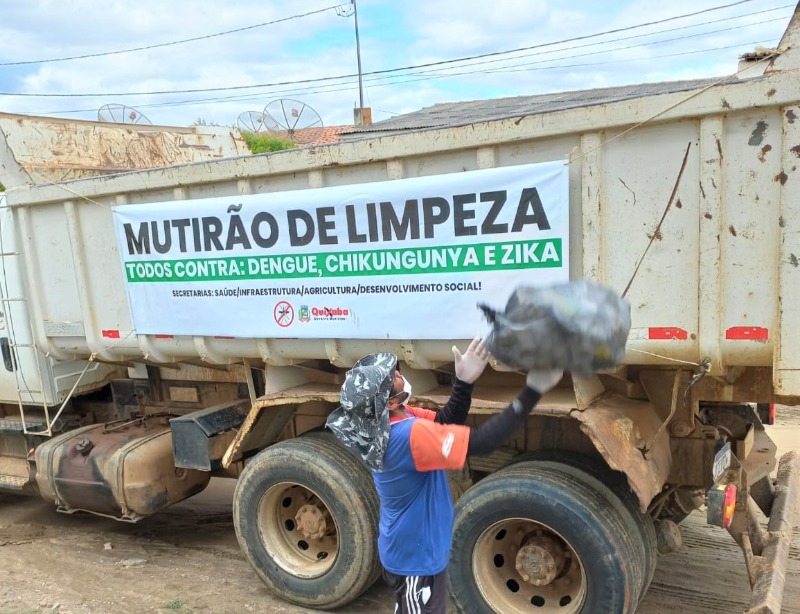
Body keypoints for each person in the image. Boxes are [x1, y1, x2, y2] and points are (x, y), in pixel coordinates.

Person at [326, 338, 562, 614]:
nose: (399, 373)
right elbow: (484, 441)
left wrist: (463, 382)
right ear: (389, 402)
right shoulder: (406, 436)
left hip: (416, 549)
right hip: (414, 560)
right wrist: (532, 392)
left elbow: (445, 423)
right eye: (393, 377)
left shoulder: (394, 420)